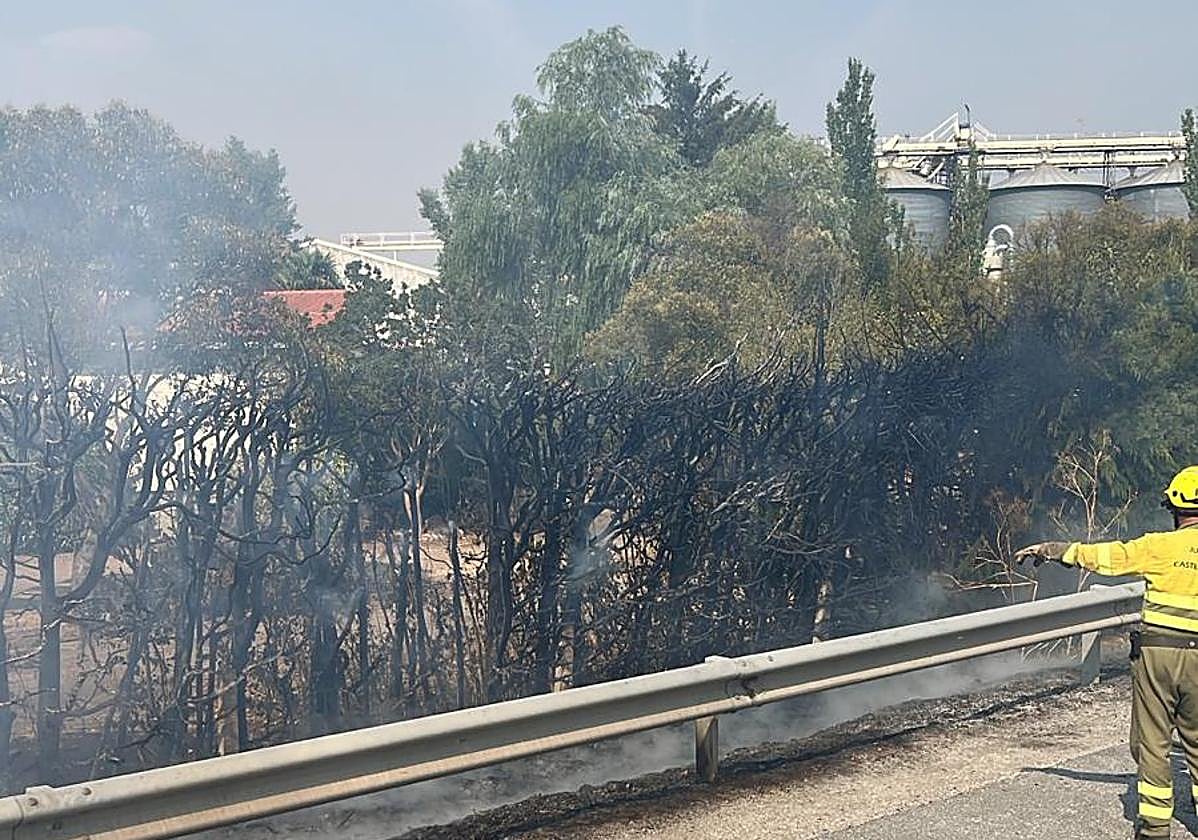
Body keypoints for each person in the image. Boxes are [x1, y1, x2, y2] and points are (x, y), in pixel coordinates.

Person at [1016, 466, 1198, 840]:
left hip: (1158, 656)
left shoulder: (1159, 546)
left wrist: (1053, 551)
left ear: (1174, 508)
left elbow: (1106, 557)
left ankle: (1154, 830)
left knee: (1152, 742)